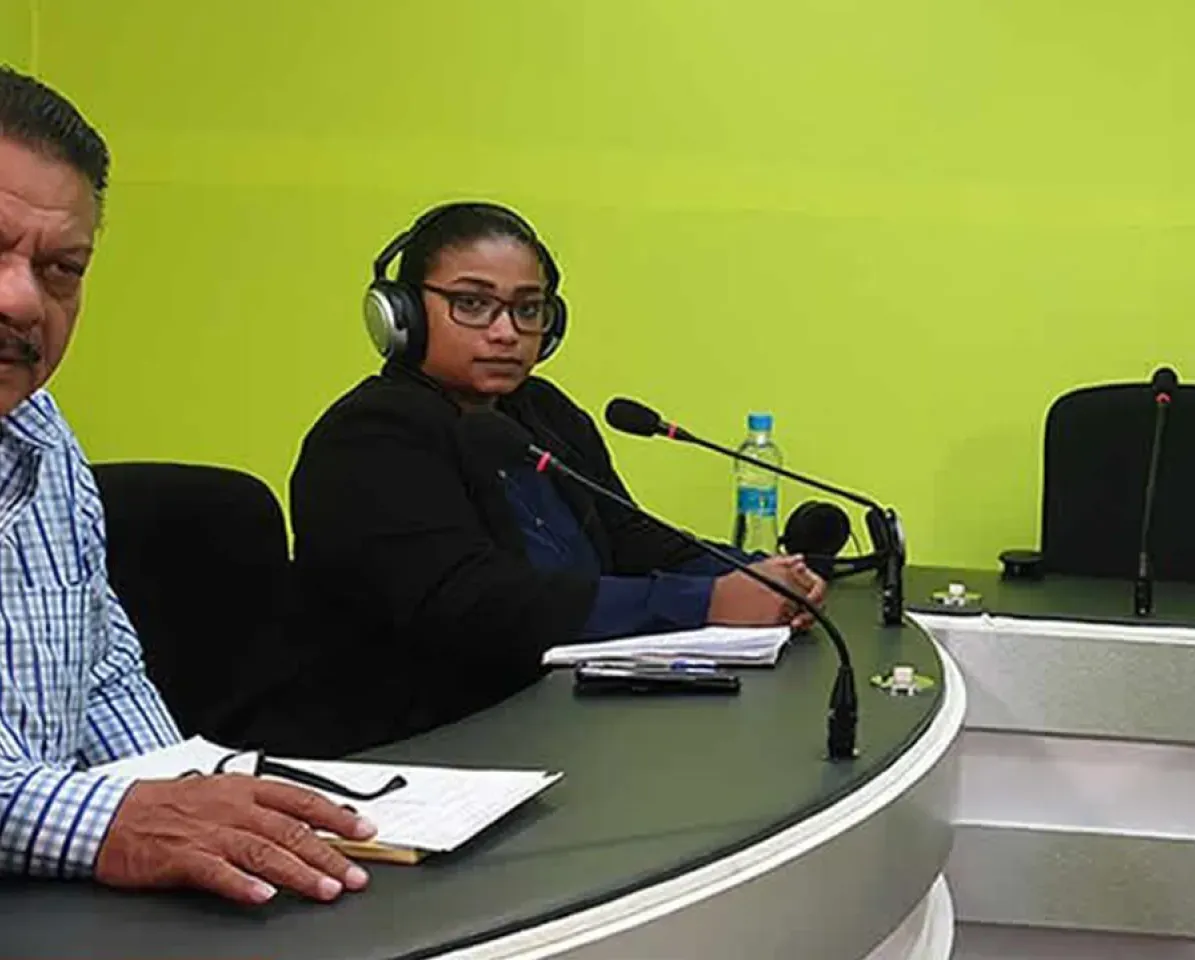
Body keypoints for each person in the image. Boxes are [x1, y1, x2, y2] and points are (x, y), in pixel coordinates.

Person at [0, 66, 373, 905]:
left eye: (61, 268)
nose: (22, 300)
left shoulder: (41, 434)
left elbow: (101, 672)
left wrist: (204, 809)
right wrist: (119, 823)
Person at [266, 201, 825, 757]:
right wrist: (706, 601)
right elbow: (475, 604)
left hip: (563, 722)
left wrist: (762, 576)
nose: (506, 332)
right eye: (472, 304)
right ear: (403, 315)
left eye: (528, 309)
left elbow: (631, 538)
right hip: (425, 746)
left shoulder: (540, 411)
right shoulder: (368, 437)